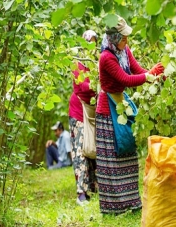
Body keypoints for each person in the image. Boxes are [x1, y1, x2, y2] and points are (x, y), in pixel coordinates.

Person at [96, 15, 165, 214]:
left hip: (122, 106)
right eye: (124, 37)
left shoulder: (124, 51)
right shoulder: (106, 57)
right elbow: (126, 79)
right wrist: (148, 76)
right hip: (108, 110)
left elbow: (138, 71)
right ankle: (114, 207)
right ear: (115, 37)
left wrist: (155, 74)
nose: (127, 40)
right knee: (113, 156)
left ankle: (132, 202)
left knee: (128, 152)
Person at [68, 30, 98, 206]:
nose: (92, 47)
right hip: (79, 113)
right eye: (89, 43)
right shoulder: (77, 64)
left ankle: (94, 187)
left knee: (92, 150)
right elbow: (84, 87)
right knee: (80, 151)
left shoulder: (95, 63)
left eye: (94, 42)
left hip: (93, 113)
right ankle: (81, 192)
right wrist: (99, 82)